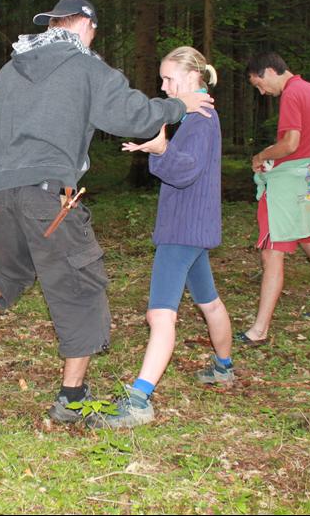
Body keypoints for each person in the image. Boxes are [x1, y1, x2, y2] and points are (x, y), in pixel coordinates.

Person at [0, 0, 214, 423]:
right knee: (82, 291)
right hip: (49, 195)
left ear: (53, 25)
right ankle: (71, 398)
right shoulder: (86, 67)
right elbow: (134, 116)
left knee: (10, 271)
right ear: (87, 25)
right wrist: (180, 106)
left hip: (4, 192)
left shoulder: (12, 69)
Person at [89, 46, 233, 429]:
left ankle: (139, 399)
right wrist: (159, 148)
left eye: (169, 79)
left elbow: (186, 171)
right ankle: (223, 367)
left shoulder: (201, 119)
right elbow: (186, 169)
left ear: (192, 76)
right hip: (194, 229)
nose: (165, 87)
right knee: (209, 302)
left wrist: (163, 148)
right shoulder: (197, 116)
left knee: (160, 314)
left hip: (182, 231)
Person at [237, 52, 310, 346]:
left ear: (269, 71)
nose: (261, 92)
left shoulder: (292, 93)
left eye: (259, 84)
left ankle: (259, 330)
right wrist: (302, 148)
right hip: (308, 176)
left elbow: (290, 143)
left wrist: (262, 155)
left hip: (287, 183)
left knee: (272, 252)